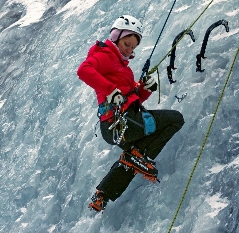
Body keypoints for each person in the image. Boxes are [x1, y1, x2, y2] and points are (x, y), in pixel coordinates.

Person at [77, 15, 185, 212]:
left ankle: (102, 196)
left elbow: (130, 100)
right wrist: (110, 90)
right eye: (127, 43)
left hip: (116, 126)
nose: (129, 49)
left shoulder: (121, 67)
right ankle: (140, 157)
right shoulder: (106, 55)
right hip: (122, 122)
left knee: (134, 156)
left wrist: (145, 89)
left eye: (133, 47)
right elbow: (84, 70)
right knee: (175, 119)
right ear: (116, 36)